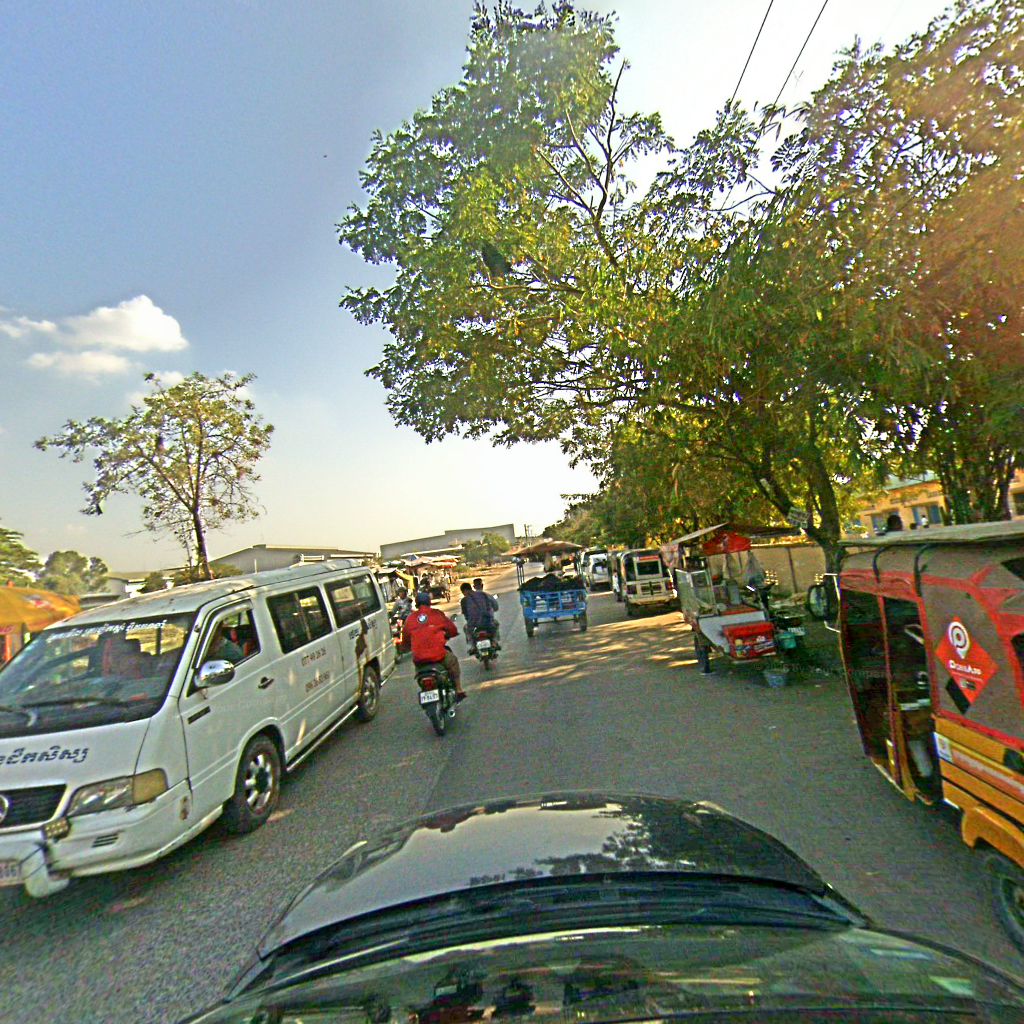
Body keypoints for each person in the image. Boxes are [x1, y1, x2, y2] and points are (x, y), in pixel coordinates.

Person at [403, 592, 466, 700]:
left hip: (419, 660)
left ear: (416, 604)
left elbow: (405, 639)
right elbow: (452, 629)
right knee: (453, 661)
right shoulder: (436, 614)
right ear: (429, 602)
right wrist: (451, 634)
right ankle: (459, 689)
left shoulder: (410, 618)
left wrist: (407, 647)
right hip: (438, 656)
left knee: (418, 671)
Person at [460, 582, 497, 653]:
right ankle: (494, 642)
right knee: (495, 624)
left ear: (464, 591)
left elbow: (465, 614)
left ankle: (473, 646)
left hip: (473, 624)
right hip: (487, 621)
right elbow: (493, 607)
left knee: (466, 629)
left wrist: (470, 621)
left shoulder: (464, 600)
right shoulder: (483, 594)